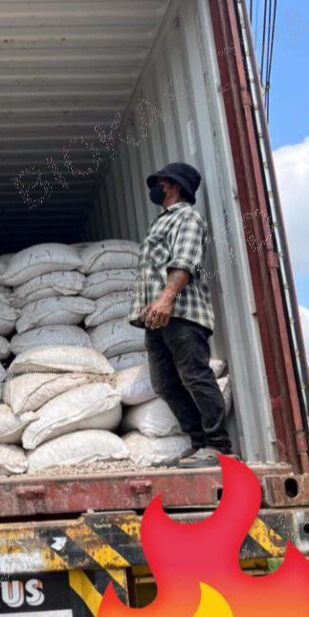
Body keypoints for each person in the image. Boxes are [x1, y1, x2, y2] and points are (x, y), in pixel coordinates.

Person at [130, 161, 232, 467]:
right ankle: (198, 441)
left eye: (159, 182)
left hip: (182, 313)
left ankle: (218, 445)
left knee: (195, 376)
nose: (155, 188)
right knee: (164, 383)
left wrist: (166, 298)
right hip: (157, 316)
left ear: (174, 185)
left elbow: (184, 261)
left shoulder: (187, 217)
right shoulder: (161, 222)